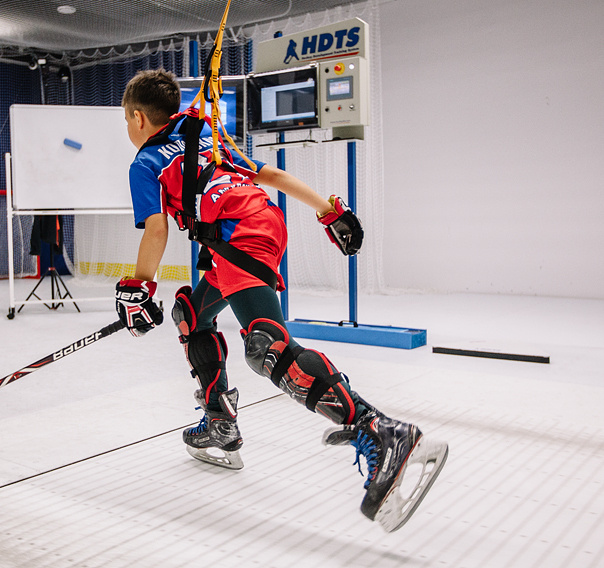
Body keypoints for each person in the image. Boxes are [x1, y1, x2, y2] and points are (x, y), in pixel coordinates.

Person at [114, 68, 447, 532]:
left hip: (239, 242)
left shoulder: (145, 162)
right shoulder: (203, 134)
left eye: (125, 122)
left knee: (268, 349)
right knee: (191, 315)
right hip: (259, 227)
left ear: (137, 118)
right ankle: (219, 424)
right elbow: (268, 173)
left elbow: (157, 228)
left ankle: (380, 430)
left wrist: (137, 289)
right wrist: (328, 210)